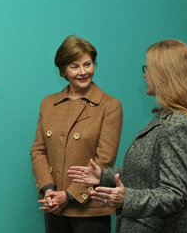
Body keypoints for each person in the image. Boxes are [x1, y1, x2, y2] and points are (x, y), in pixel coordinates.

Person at [68, 39, 187, 232]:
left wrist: (126, 198)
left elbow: (175, 194)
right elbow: (146, 173)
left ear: (164, 74)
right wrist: (103, 175)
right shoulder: (167, 118)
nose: (145, 74)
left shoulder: (180, 125)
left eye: (148, 68)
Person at [30, 35, 123, 232]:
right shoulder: (49, 103)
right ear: (63, 71)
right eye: (75, 66)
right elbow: (38, 151)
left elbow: (104, 161)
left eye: (88, 64)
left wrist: (69, 195)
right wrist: (49, 191)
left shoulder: (110, 106)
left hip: (90, 208)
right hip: (54, 206)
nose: (83, 72)